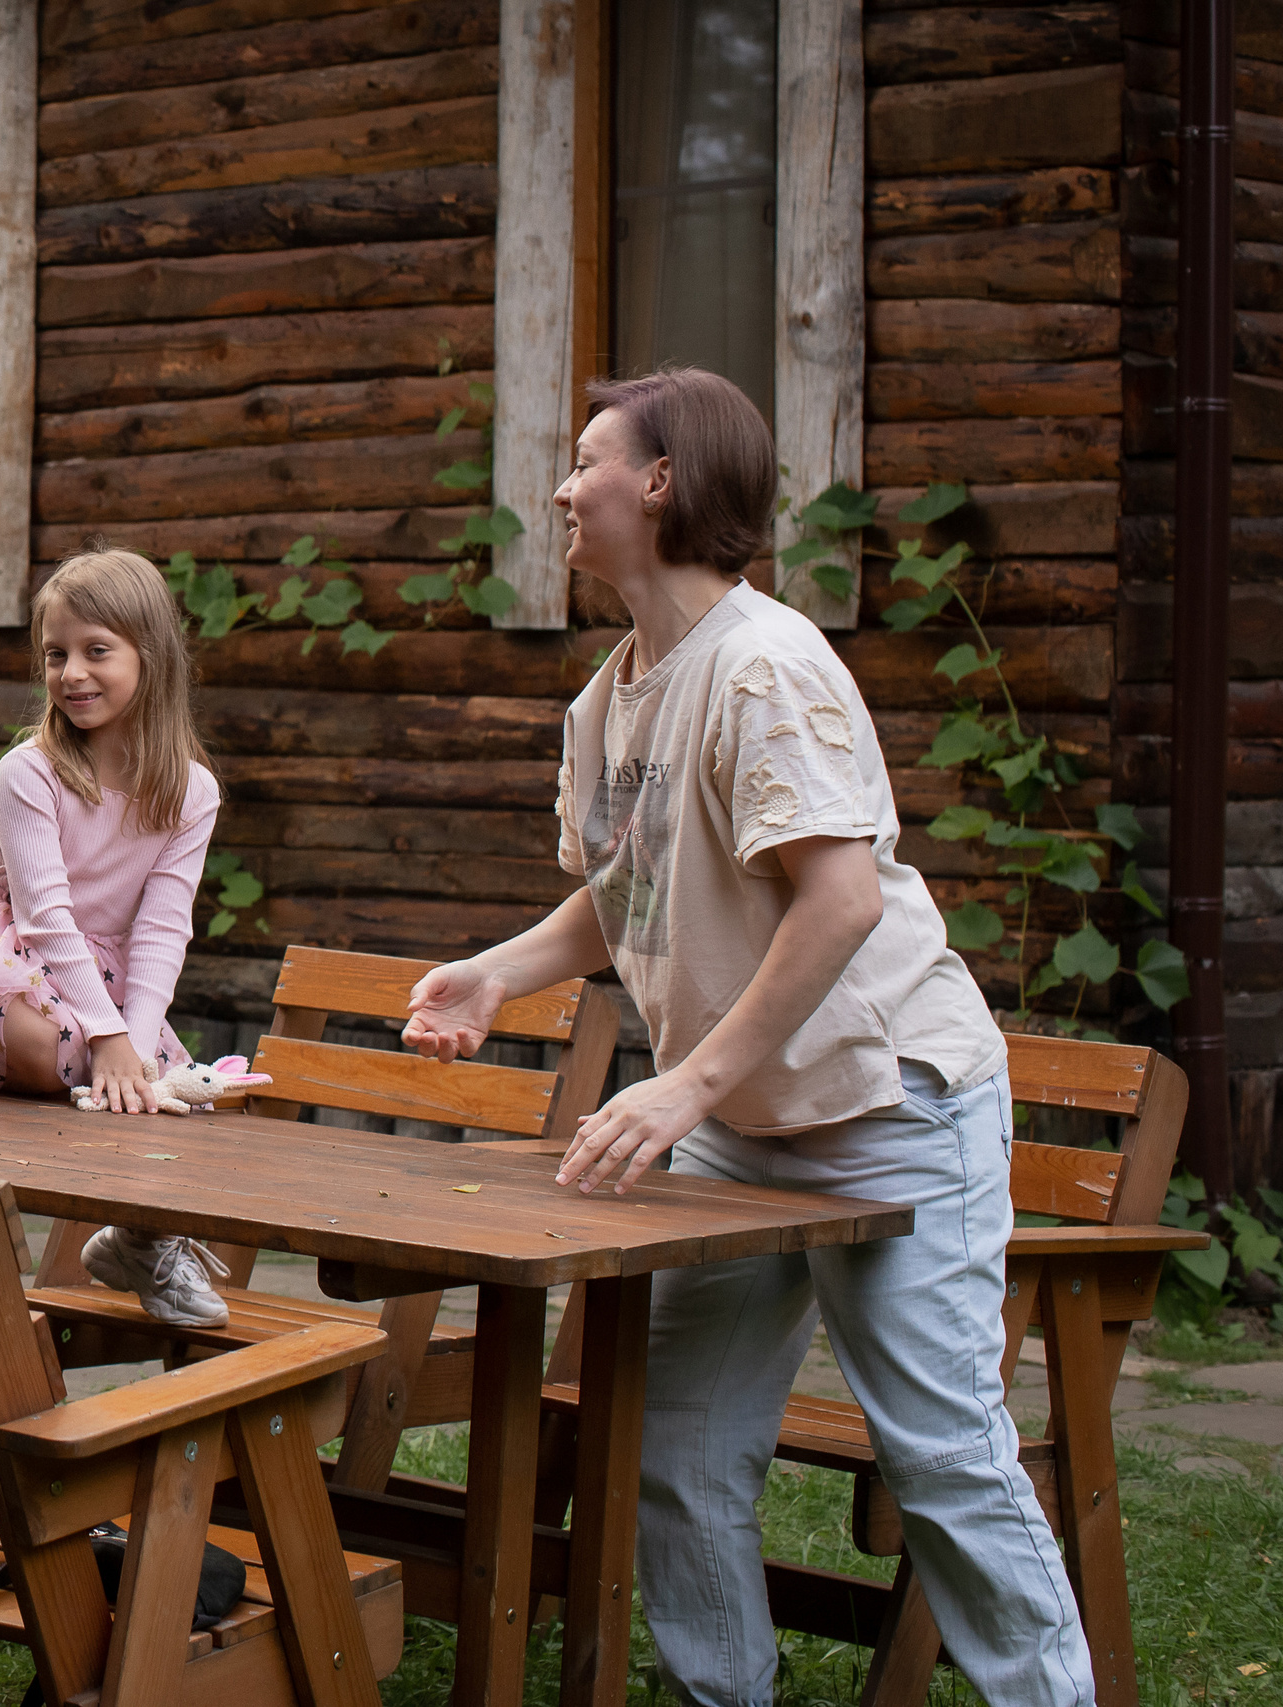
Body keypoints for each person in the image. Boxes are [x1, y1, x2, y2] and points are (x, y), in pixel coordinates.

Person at [402, 370, 1091, 1707]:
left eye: (587, 460)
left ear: (658, 483)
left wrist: (687, 1083)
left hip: (893, 1109)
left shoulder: (767, 665)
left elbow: (835, 901)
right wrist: (497, 972)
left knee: (941, 1452)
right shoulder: (610, 697)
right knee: (674, 1437)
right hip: (736, 1123)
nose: (559, 488)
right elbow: (629, 895)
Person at [0, 547, 231, 1330]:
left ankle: (140, 1237)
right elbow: (45, 917)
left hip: (98, 962)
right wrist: (106, 1032)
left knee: (157, 1086)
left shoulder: (191, 790)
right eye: (57, 654)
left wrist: (135, 1033)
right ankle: (7, 1222)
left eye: (98, 651)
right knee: (37, 1041)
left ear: (150, 658)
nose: (72, 673)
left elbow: (162, 922)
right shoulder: (34, 771)